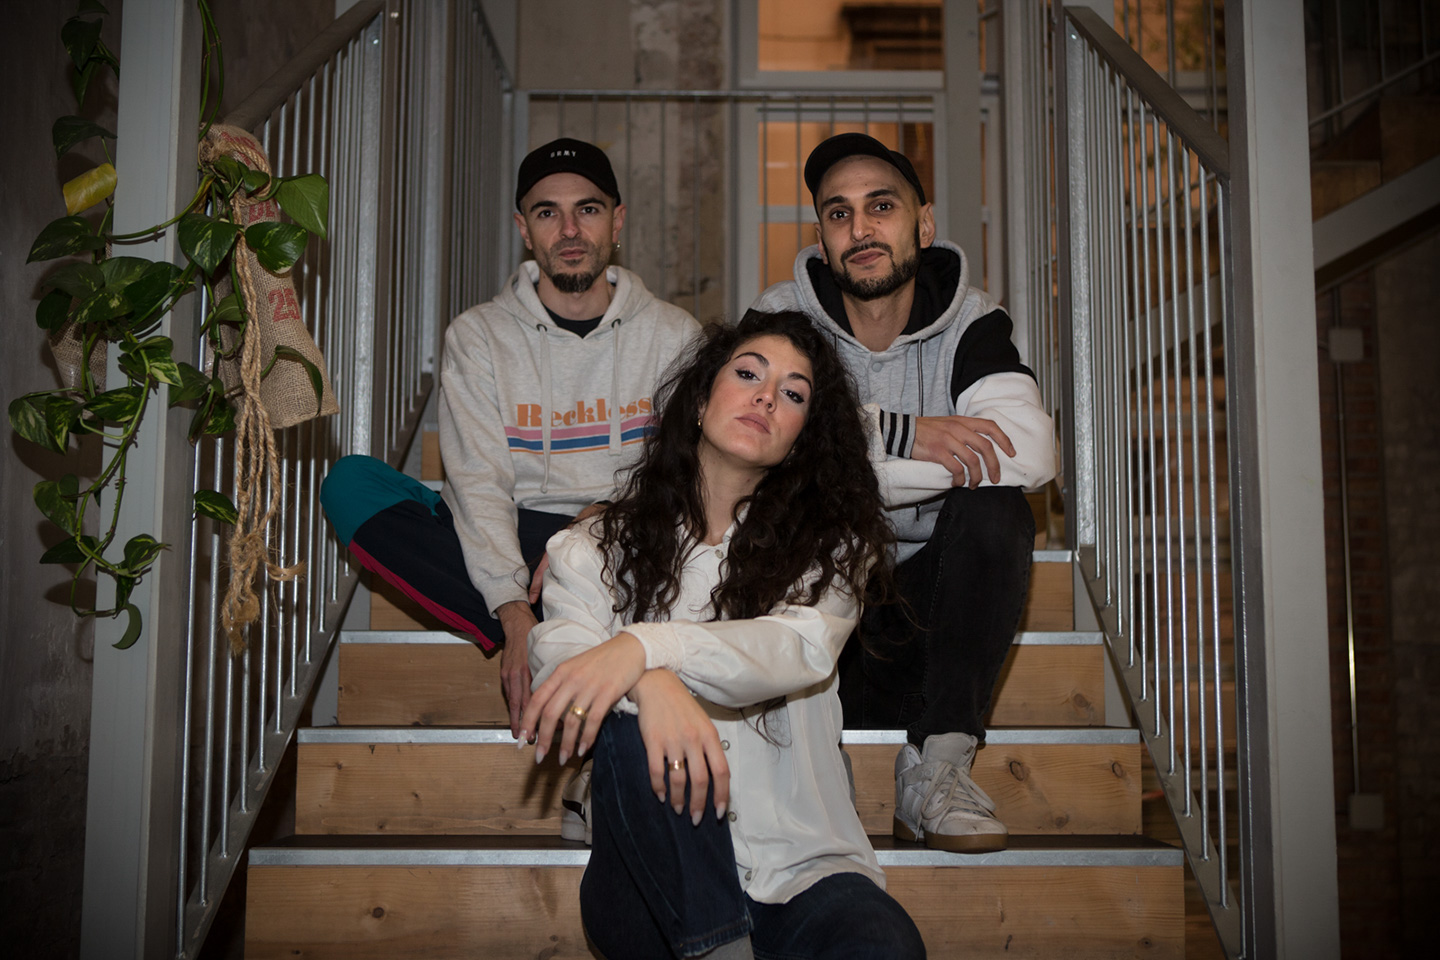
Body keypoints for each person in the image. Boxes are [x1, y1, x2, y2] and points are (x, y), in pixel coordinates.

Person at [519, 310, 926, 960]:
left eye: (794, 394)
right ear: (701, 398)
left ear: (801, 437)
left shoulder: (832, 550)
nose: (767, 398)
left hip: (802, 872)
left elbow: (795, 647)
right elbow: (563, 665)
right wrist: (651, 685)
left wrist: (646, 650)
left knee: (885, 947)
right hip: (649, 888)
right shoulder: (591, 547)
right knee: (630, 728)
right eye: (748, 375)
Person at [320, 138, 699, 736]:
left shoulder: (676, 335)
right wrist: (513, 608)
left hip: (625, 533)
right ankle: (560, 628)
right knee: (351, 484)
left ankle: (574, 625)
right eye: (548, 212)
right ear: (524, 229)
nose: (569, 230)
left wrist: (609, 516)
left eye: (588, 209)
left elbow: (690, 471)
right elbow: (478, 479)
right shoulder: (478, 337)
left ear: (617, 221)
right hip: (519, 536)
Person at [753, 133, 1057, 853]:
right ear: (823, 241)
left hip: (931, 627)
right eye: (839, 213)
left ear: (923, 225)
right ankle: (799, 769)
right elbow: (757, 447)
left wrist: (834, 455)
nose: (860, 229)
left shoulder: (972, 321)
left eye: (881, 207)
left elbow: (1032, 452)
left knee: (997, 508)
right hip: (820, 632)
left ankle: (937, 769)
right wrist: (907, 433)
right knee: (771, 509)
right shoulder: (783, 319)